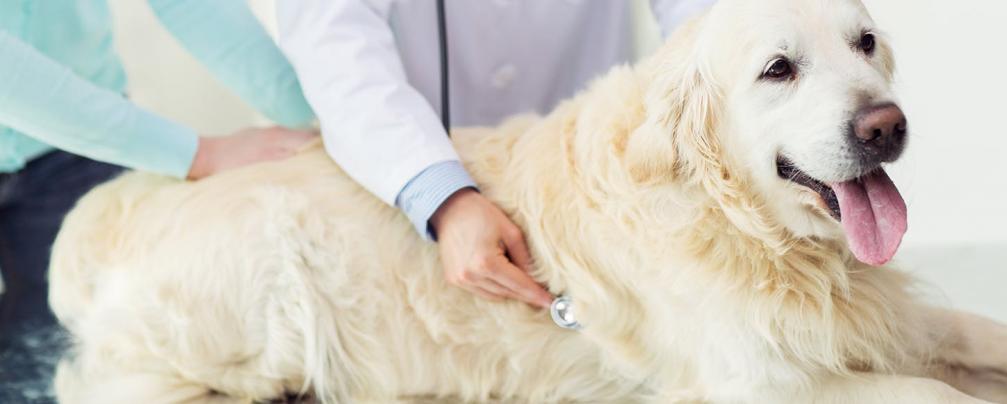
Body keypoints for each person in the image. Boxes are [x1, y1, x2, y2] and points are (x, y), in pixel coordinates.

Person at [277, 0, 714, 308]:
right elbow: (334, 47)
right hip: (409, 173)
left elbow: (712, 22)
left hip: (583, 185)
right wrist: (441, 196)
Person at [0, 0, 315, 400]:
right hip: (86, 126)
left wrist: (319, 122)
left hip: (76, 145)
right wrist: (199, 154)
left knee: (60, 375)